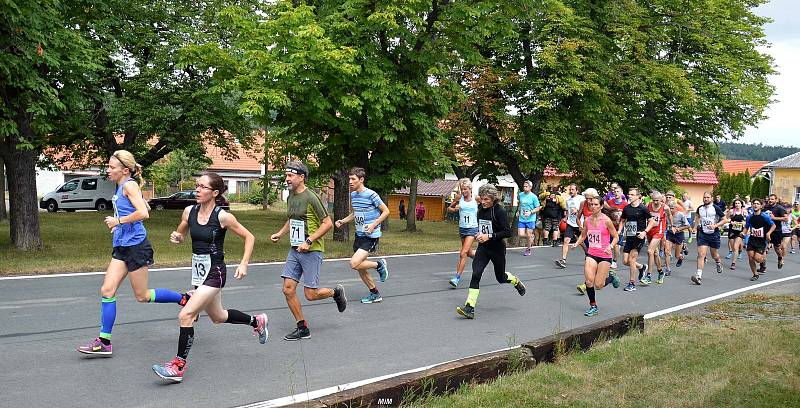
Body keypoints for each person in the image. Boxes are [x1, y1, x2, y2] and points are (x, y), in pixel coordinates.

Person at [152, 173, 267, 383]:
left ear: (214, 193)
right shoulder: (189, 211)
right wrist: (177, 237)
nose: (197, 189)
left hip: (216, 273)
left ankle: (178, 366)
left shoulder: (223, 216)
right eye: (197, 186)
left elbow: (249, 236)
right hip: (198, 272)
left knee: (185, 315)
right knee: (218, 317)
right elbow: (181, 234)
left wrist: (244, 263)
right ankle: (256, 321)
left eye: (203, 187)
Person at [78, 150, 187, 356]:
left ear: (125, 170)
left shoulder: (128, 185)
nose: (108, 170)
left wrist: (118, 221)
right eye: (108, 166)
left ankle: (183, 299)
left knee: (142, 296)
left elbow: (144, 214)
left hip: (136, 247)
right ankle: (104, 342)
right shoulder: (123, 186)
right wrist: (120, 224)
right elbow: (144, 206)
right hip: (121, 245)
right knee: (107, 290)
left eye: (111, 167)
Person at [271, 161, 347, 341]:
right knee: (288, 289)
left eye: (290, 175)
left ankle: (335, 292)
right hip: (295, 249)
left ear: (301, 177)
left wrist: (309, 240)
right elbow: (292, 219)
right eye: (286, 175)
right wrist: (280, 233)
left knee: (310, 295)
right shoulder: (290, 197)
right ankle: (302, 327)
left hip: (312, 250)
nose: (287, 179)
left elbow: (327, 223)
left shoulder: (311, 197)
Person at [456, 184, 527, 319]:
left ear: (493, 199)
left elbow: (507, 232)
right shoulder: (480, 209)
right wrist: (479, 234)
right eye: (482, 199)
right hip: (483, 248)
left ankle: (514, 281)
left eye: (486, 199)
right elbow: (482, 227)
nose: (483, 202)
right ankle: (469, 307)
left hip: (497, 249)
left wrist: (489, 236)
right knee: (476, 274)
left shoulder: (499, 211)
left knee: (500, 278)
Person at [335, 167, 390, 303]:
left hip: (371, 235)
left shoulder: (371, 195)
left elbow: (386, 211)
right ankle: (375, 293)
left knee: (354, 263)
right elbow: (355, 214)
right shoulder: (353, 195)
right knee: (360, 268)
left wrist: (373, 225)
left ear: (361, 179)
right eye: (349, 179)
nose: (350, 182)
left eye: (353, 179)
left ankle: (379, 264)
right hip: (359, 235)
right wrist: (343, 221)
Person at [572, 196, 620, 316]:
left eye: (595, 204)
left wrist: (610, 246)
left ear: (601, 206)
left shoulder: (607, 220)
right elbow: (583, 235)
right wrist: (577, 243)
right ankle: (593, 306)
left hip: (604, 255)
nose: (592, 206)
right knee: (589, 281)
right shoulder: (587, 220)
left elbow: (616, 237)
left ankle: (611, 278)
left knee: (599, 285)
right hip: (591, 254)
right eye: (591, 204)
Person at [618, 188, 655, 292]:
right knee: (625, 261)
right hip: (629, 237)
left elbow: (652, 222)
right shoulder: (626, 208)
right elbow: (622, 221)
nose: (629, 196)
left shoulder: (643, 208)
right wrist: (619, 231)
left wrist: (645, 232)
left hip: (639, 237)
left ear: (638, 196)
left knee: (632, 259)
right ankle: (642, 267)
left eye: (632, 194)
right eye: (628, 194)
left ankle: (632, 283)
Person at [446, 178, 478, 287]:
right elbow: (449, 208)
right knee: (469, 253)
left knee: (463, 253)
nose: (463, 191)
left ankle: (456, 278)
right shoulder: (459, 198)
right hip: (462, 229)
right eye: (461, 189)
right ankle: (480, 256)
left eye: (465, 189)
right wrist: (454, 209)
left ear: (470, 189)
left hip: (472, 229)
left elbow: (486, 206)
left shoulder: (476, 198)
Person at [691, 192, 729, 285]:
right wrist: (695, 227)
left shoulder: (716, 208)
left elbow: (725, 220)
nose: (706, 199)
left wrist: (715, 225)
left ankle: (718, 262)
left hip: (714, 235)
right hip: (703, 234)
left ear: (711, 198)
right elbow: (697, 218)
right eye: (704, 197)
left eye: (708, 197)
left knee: (714, 255)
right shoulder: (700, 208)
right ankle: (698, 276)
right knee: (701, 255)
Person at [555, 184, 585, 268]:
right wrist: (566, 217)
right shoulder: (568, 200)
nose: (571, 191)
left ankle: (587, 253)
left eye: (572, 190)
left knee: (581, 242)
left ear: (577, 190)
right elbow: (568, 211)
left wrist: (577, 210)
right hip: (570, 223)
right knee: (566, 240)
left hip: (580, 223)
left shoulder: (581, 199)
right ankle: (563, 260)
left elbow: (586, 210)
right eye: (570, 190)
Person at [744, 199, 775, 281]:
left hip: (761, 241)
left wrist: (768, 233)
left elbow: (773, 226)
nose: (755, 205)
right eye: (754, 203)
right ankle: (755, 274)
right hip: (752, 239)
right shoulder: (749, 217)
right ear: (752, 205)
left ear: (761, 206)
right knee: (750, 257)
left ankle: (763, 260)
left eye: (757, 204)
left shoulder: (765, 216)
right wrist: (743, 234)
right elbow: (746, 227)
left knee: (757, 259)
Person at [644, 191, 669, 284]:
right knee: (655, 253)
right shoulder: (648, 205)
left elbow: (669, 216)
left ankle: (648, 275)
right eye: (653, 200)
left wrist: (673, 226)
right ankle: (660, 272)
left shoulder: (665, 207)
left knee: (650, 251)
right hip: (650, 230)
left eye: (657, 200)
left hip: (659, 231)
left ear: (661, 199)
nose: (655, 202)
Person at [603, 185, 628, 270]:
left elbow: (625, 218)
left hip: (619, 227)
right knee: (608, 244)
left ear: (621, 193)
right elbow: (606, 213)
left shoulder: (625, 204)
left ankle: (614, 261)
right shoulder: (610, 202)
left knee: (616, 245)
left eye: (618, 192)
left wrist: (621, 229)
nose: (616, 193)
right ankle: (607, 259)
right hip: (610, 227)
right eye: (615, 192)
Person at [515, 180, 541, 256]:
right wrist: (518, 211)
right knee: (520, 234)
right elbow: (520, 204)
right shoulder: (521, 194)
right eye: (524, 186)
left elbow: (538, 207)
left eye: (526, 186)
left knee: (528, 234)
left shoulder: (533, 197)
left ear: (530, 187)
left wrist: (531, 212)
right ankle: (531, 237)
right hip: (522, 218)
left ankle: (528, 249)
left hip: (531, 218)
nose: (524, 187)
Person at [764, 194, 789, 270]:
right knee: (763, 247)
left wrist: (774, 218)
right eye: (769, 199)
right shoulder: (766, 207)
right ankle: (763, 266)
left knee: (777, 248)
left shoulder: (779, 208)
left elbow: (786, 219)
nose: (770, 201)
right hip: (766, 230)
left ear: (776, 200)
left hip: (776, 231)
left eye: (772, 199)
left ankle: (780, 258)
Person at [664, 201, 690, 275]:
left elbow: (688, 226)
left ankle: (681, 258)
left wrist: (679, 229)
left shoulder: (681, 215)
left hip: (679, 235)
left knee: (677, 255)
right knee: (667, 252)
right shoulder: (666, 215)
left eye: (672, 208)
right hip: (670, 234)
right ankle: (668, 269)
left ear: (676, 209)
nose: (670, 210)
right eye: (669, 208)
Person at [726, 199, 747, 270]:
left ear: (741, 204)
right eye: (736, 203)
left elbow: (748, 220)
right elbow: (726, 218)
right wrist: (731, 222)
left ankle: (733, 263)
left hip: (740, 231)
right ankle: (738, 252)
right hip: (732, 230)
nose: (737, 204)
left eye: (738, 203)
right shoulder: (732, 211)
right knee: (733, 247)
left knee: (735, 247)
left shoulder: (744, 211)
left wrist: (744, 223)